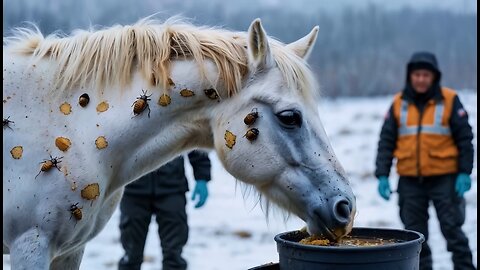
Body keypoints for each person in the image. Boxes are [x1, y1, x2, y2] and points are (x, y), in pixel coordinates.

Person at [375, 52, 476, 270]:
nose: (421, 79)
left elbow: (465, 139)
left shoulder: (450, 100)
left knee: (453, 232)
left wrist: (464, 172)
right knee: (415, 237)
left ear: (434, 77)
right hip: (410, 182)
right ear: (410, 76)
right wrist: (382, 174)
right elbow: (386, 141)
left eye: (426, 75)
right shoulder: (398, 103)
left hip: (445, 179)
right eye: (417, 74)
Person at [118, 151, 211, 270]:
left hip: (172, 188)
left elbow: (193, 137)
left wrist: (202, 177)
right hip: (133, 189)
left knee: (174, 256)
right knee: (131, 256)